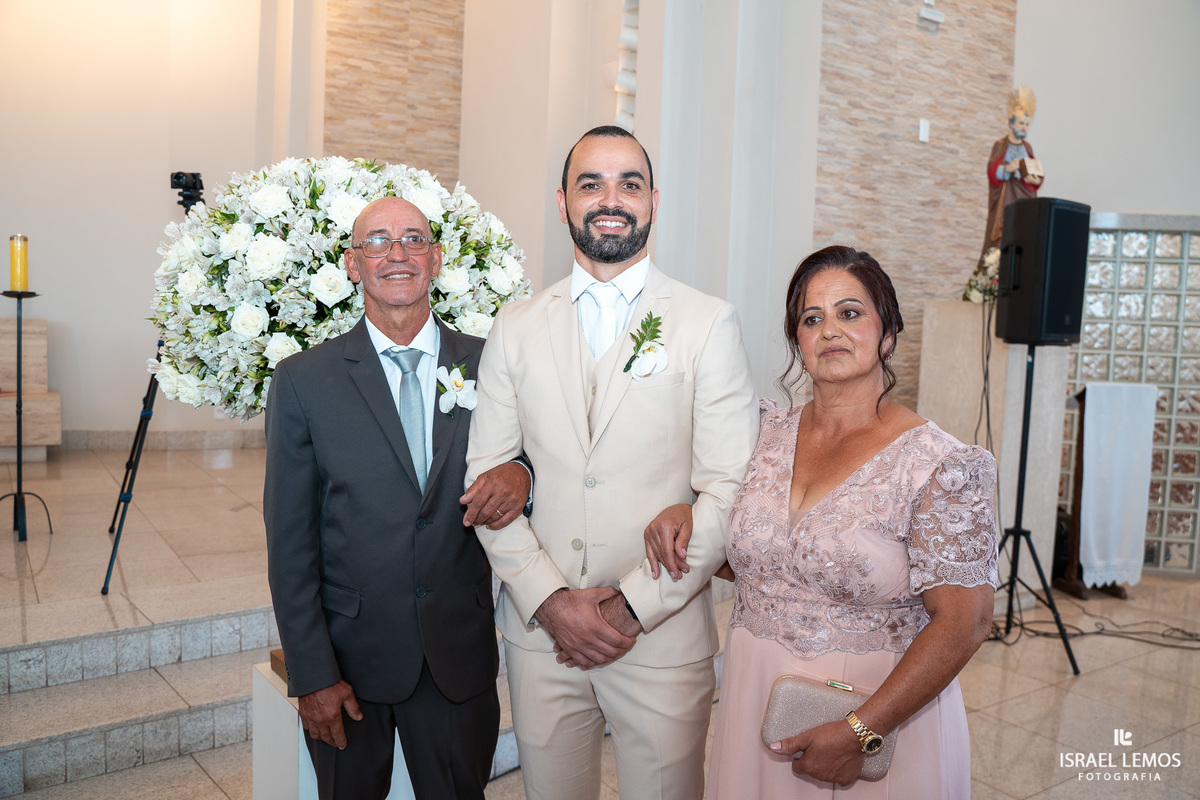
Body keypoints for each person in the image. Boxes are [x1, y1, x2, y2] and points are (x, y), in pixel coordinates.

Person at [464, 126, 759, 800]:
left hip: (660, 635)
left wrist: (631, 607)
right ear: (562, 200)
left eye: (629, 183)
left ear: (653, 200)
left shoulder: (706, 323)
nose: (610, 198)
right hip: (545, 640)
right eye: (590, 183)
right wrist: (550, 601)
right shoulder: (515, 325)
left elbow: (728, 487)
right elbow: (487, 480)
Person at [649, 245, 999, 797]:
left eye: (850, 313)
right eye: (812, 319)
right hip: (755, 697)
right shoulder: (759, 435)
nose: (830, 330)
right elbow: (758, 560)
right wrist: (685, 514)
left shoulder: (941, 464)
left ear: (887, 334)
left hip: (876, 711)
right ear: (798, 343)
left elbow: (967, 622)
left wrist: (864, 731)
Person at [264, 196, 531, 799]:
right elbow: (290, 543)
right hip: (350, 662)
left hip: (457, 655)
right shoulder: (304, 381)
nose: (397, 254)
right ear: (352, 264)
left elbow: (538, 462)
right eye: (378, 242)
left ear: (435, 260)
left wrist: (523, 475)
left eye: (413, 239)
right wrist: (312, 674)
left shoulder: (491, 365)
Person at [980, 85, 1043, 262]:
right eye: (1021, 123)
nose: (1024, 128)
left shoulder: (1027, 147)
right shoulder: (1000, 145)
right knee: (1003, 237)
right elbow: (992, 173)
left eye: (1027, 124)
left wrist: (1034, 181)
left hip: (1024, 199)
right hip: (1005, 199)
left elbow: (1033, 174)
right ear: (1011, 123)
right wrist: (1007, 169)